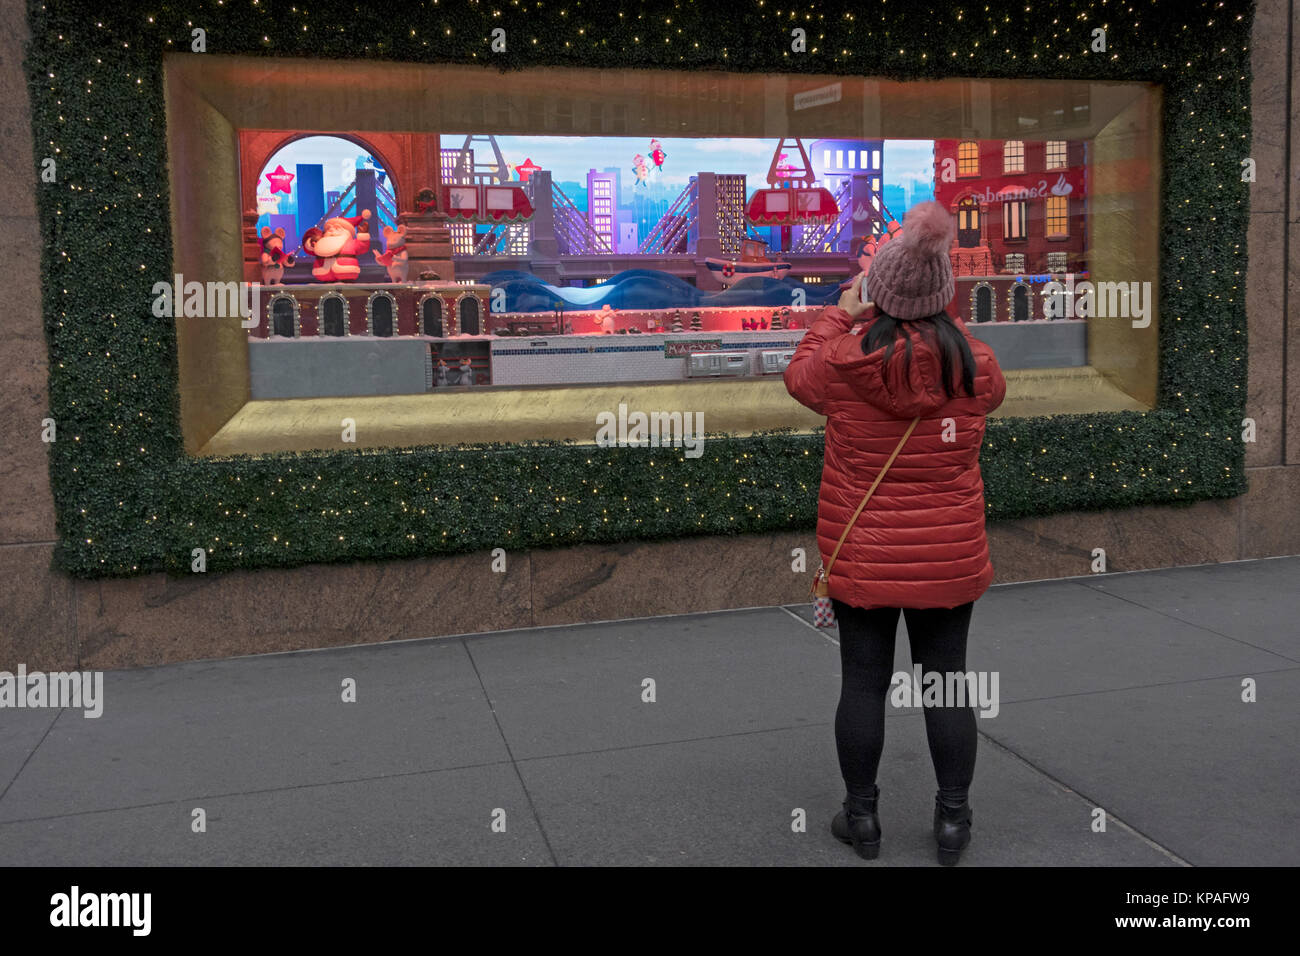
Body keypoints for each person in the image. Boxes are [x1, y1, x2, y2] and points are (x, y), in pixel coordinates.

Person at [783, 200, 1007, 866]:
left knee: (862, 684)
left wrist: (844, 308)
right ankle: (952, 823)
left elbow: (799, 373)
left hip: (864, 556)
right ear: (943, 293)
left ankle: (863, 819)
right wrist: (935, 311)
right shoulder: (977, 364)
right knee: (947, 682)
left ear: (876, 289)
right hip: (949, 556)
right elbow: (958, 369)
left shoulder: (843, 365)